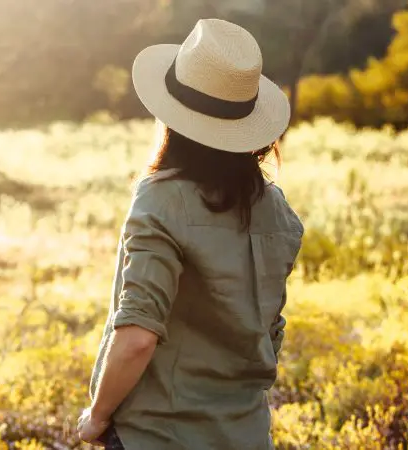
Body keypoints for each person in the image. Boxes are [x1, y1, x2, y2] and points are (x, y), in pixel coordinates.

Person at [77, 18, 304, 449]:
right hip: (246, 435)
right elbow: (269, 335)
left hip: (157, 435)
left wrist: (98, 416)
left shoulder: (159, 200)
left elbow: (138, 336)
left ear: (172, 117)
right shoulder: (278, 212)